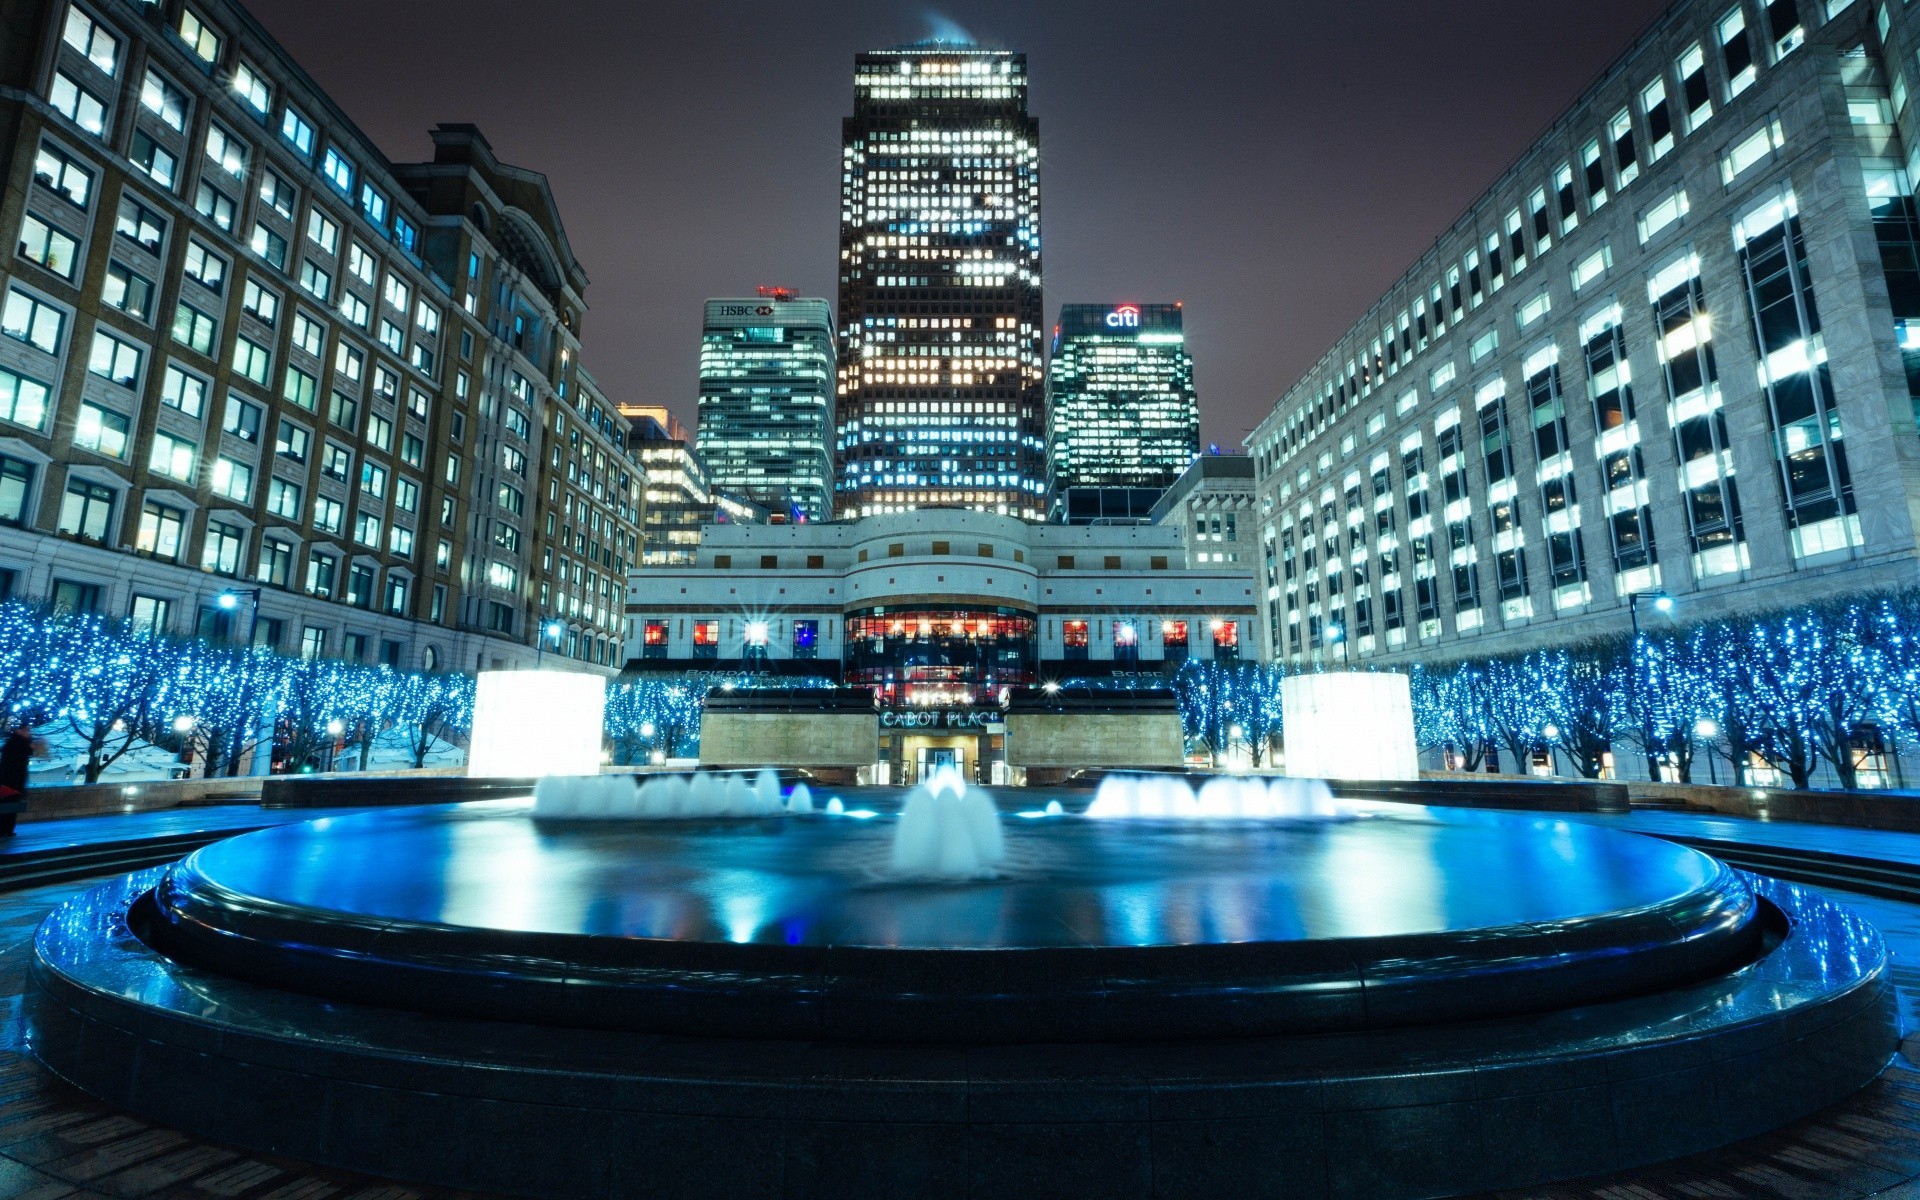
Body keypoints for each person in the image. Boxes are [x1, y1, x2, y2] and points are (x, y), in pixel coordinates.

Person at [0, 724, 44, 837]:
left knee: (7, 804)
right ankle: (7, 829)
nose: (29, 733)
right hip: (13, 780)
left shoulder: (13, 742)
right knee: (10, 805)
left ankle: (5, 829)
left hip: (8, 780)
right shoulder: (19, 743)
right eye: (27, 730)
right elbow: (26, 751)